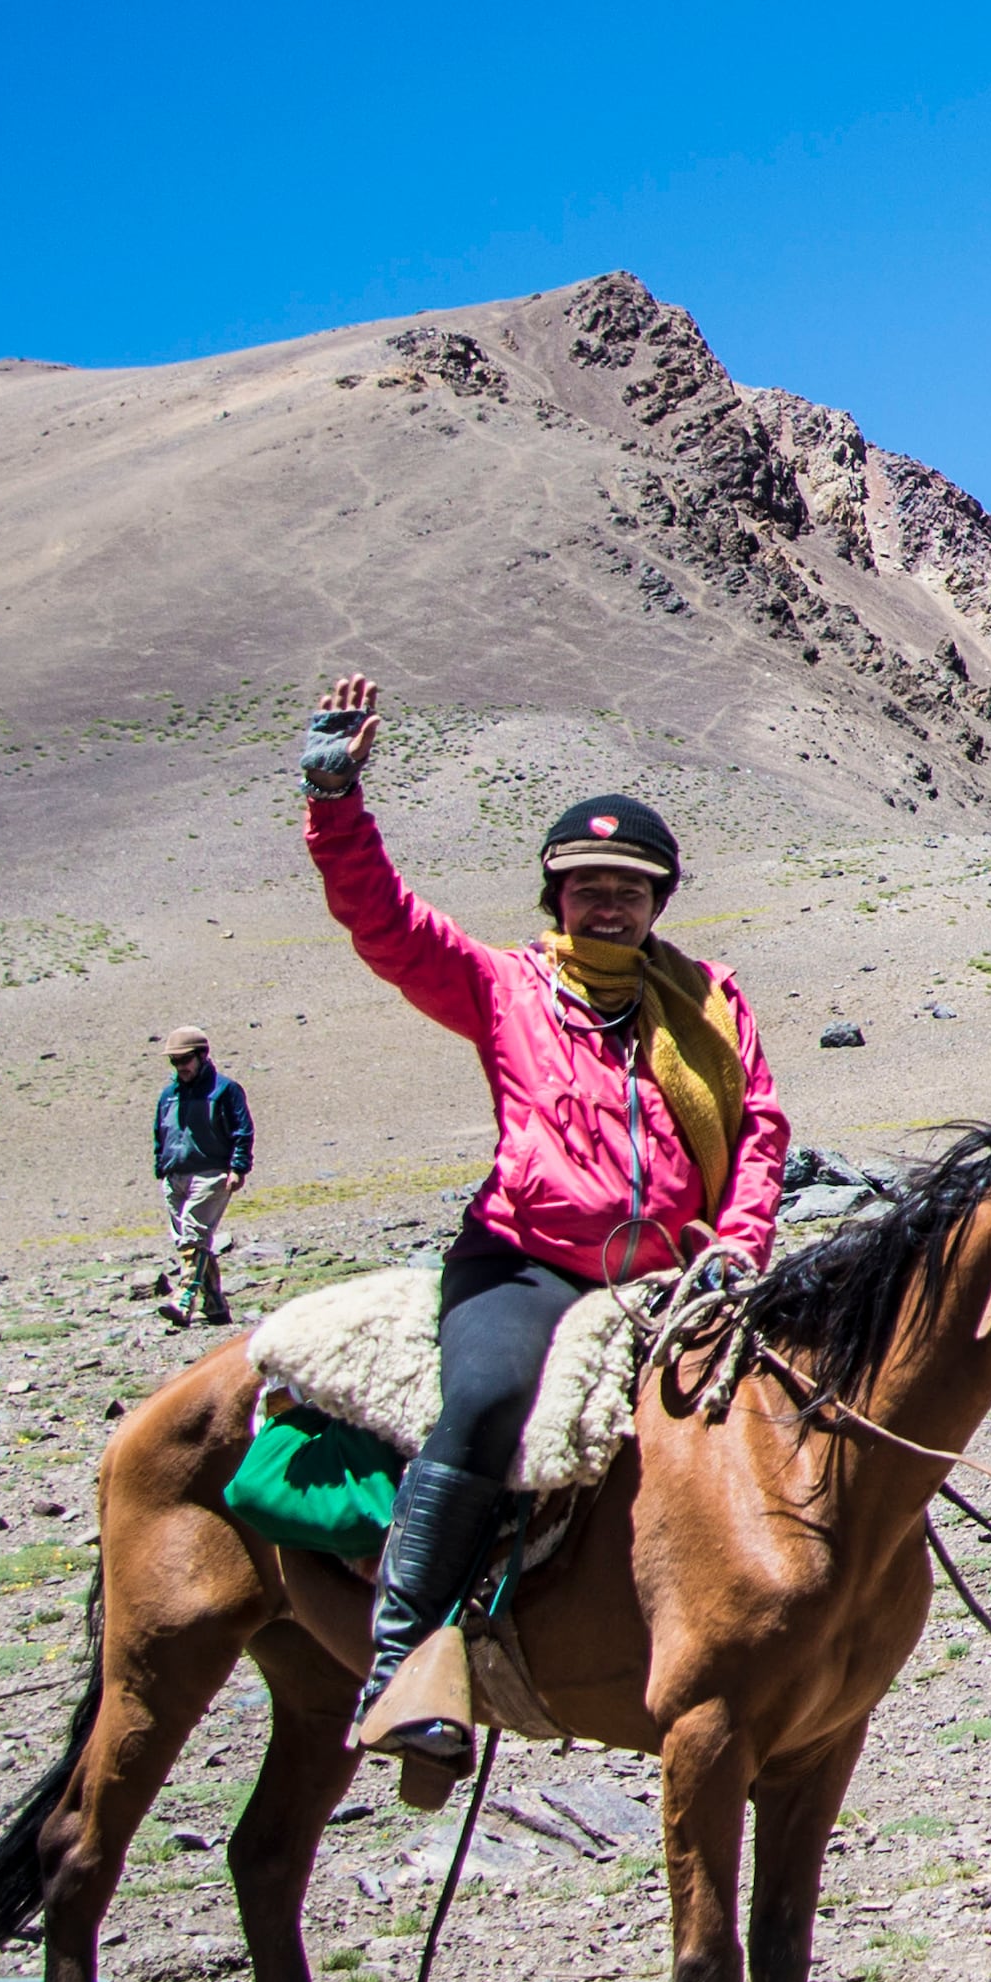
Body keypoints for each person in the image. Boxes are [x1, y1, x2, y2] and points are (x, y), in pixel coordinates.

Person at [297, 672, 788, 1769]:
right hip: (525, 1264)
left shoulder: (707, 1000)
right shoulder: (500, 985)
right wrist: (337, 797)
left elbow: (758, 1124)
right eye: (584, 885)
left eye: (628, 886)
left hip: (678, 1268)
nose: (605, 903)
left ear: (659, 900)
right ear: (552, 896)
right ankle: (401, 1658)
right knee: (480, 1401)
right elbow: (383, 919)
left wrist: (741, 1240)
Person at [151, 1029, 257, 1328]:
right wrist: (162, 1167)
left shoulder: (225, 1090)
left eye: (185, 1059)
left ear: (201, 1056)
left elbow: (242, 1130)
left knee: (193, 1235)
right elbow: (161, 1131)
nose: (180, 1066)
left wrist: (238, 1167)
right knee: (191, 1243)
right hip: (176, 1174)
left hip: (211, 1173)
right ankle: (215, 1306)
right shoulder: (169, 1094)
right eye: (174, 1061)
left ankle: (183, 1300)